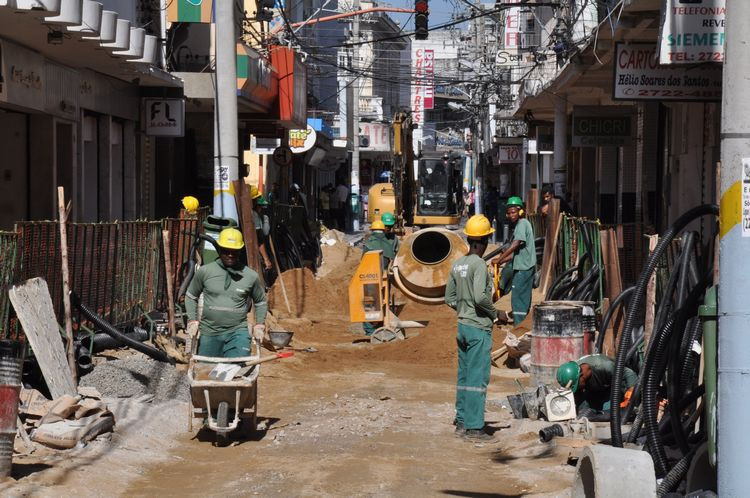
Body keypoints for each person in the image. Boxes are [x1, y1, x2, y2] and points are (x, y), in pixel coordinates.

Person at [445, 215, 498, 441]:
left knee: (464, 376)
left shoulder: (458, 264)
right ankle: (475, 428)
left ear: (469, 239)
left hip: (463, 327)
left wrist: (463, 309)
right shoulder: (478, 264)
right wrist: (496, 314)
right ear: (485, 240)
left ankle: (462, 421)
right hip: (478, 329)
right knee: (477, 378)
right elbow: (480, 297)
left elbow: (449, 298)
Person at [185, 228, 268, 357]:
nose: (230, 254)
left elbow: (261, 301)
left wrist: (259, 325)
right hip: (210, 332)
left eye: (234, 251)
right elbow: (191, 296)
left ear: (240, 251)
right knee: (206, 371)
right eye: (226, 251)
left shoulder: (250, 276)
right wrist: (192, 321)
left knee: (236, 368)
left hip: (237, 332)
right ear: (219, 249)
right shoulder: (206, 272)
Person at [492, 196, 536, 325]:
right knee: (524, 297)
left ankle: (519, 326)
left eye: (514, 212)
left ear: (520, 211)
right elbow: (518, 253)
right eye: (509, 212)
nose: (511, 215)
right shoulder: (522, 224)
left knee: (517, 297)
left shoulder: (522, 224)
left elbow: (515, 244)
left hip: (523, 269)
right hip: (525, 266)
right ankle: (523, 323)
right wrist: (502, 260)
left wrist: (500, 258)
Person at [556, 355, 638, 414]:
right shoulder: (575, 370)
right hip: (596, 388)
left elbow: (630, 374)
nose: (577, 387)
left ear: (581, 376)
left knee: (610, 412)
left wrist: (630, 397)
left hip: (613, 388)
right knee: (581, 411)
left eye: (577, 385)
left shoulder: (604, 366)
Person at [250, 186, 273, 273]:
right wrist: (266, 259)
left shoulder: (243, 211)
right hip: (253, 252)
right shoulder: (254, 215)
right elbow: (260, 239)